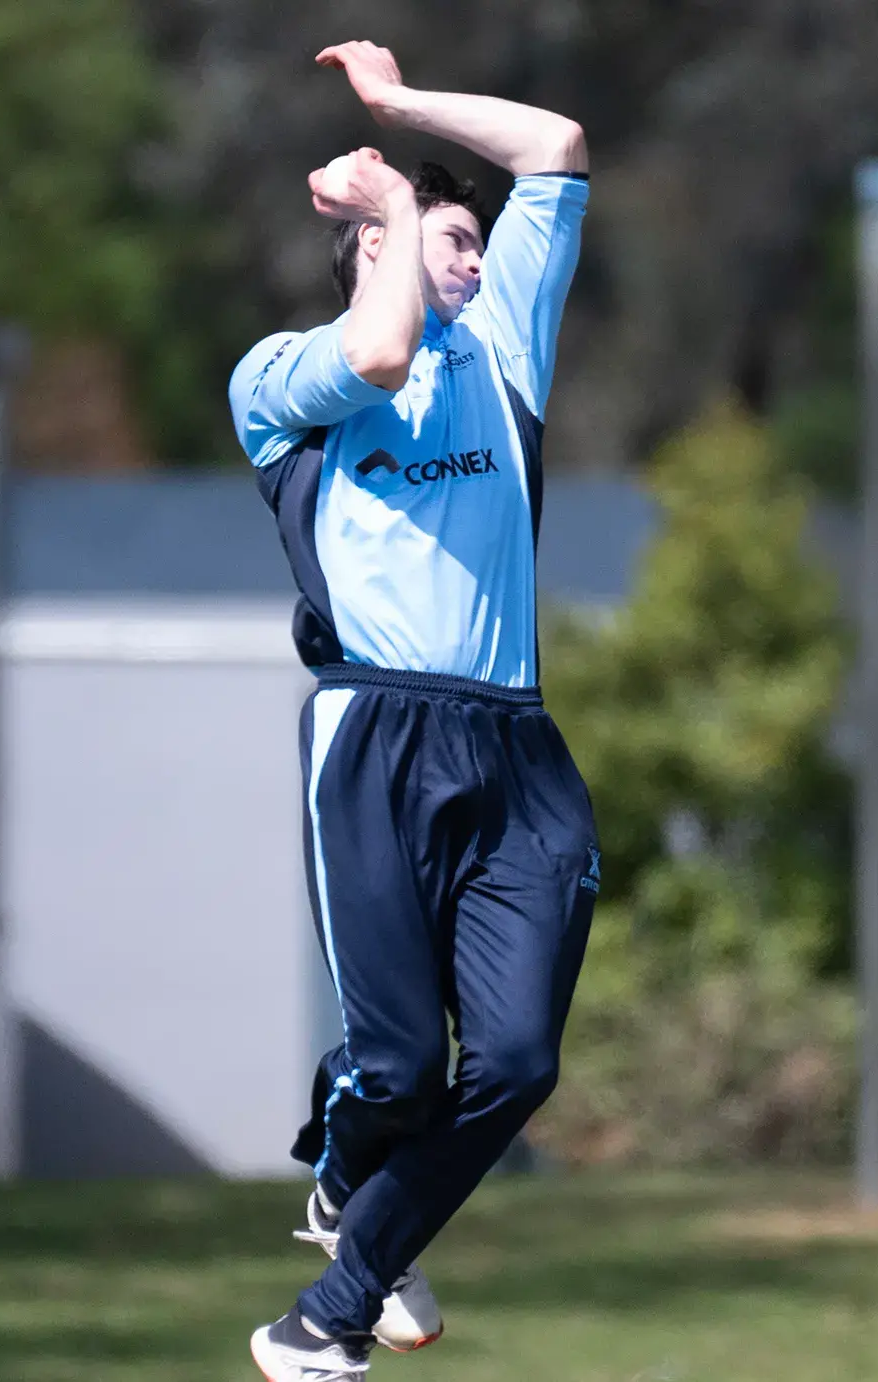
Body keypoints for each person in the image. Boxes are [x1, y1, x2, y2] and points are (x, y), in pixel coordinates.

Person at [225, 39, 598, 1382]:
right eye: (454, 238)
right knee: (397, 1064)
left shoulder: (506, 358)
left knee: (512, 1060)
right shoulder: (283, 379)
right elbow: (380, 351)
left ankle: (328, 1306)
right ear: (378, 249)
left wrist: (397, 114)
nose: (475, 260)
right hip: (374, 735)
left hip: (512, 740)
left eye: (476, 243)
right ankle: (350, 1168)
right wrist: (391, 213)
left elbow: (553, 143)